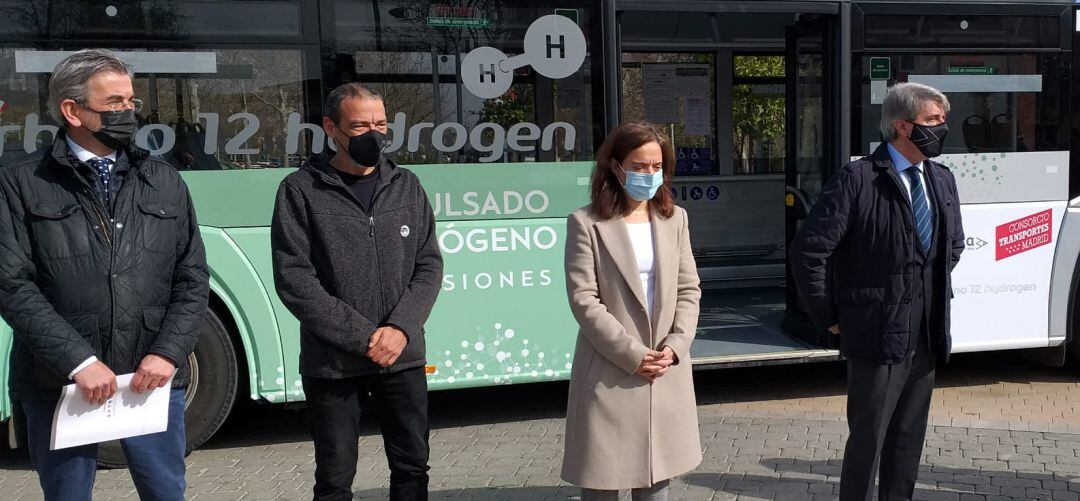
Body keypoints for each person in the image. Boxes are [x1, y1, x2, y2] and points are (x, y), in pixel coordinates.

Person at [0, 49, 209, 500]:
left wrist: (168, 354)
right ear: (72, 111)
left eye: (131, 102)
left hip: (150, 382)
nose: (128, 112)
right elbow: (12, 285)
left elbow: (192, 278)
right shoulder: (20, 184)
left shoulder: (164, 179)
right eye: (114, 103)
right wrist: (79, 361)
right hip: (58, 383)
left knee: (166, 493)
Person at [789, 82, 965, 501]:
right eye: (933, 121)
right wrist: (828, 315)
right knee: (868, 442)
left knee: (908, 441)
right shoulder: (858, 179)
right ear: (903, 126)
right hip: (875, 334)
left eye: (943, 119)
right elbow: (809, 252)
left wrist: (925, 289)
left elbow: (952, 246)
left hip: (925, 333)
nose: (942, 128)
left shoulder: (942, 179)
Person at [271, 83, 443, 501]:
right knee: (334, 477)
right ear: (331, 127)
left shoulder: (407, 185)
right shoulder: (299, 190)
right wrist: (363, 337)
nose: (374, 134)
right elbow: (294, 278)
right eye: (361, 125)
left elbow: (429, 264)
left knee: (412, 467)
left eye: (381, 124)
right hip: (333, 363)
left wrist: (400, 329)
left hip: (401, 355)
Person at [561, 122, 702, 501]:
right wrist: (633, 354)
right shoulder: (585, 223)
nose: (650, 175)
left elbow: (689, 289)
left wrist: (675, 346)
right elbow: (584, 300)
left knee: (657, 483)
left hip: (665, 370)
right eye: (640, 166)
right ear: (615, 166)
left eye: (657, 166)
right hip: (611, 372)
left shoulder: (676, 219)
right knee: (602, 484)